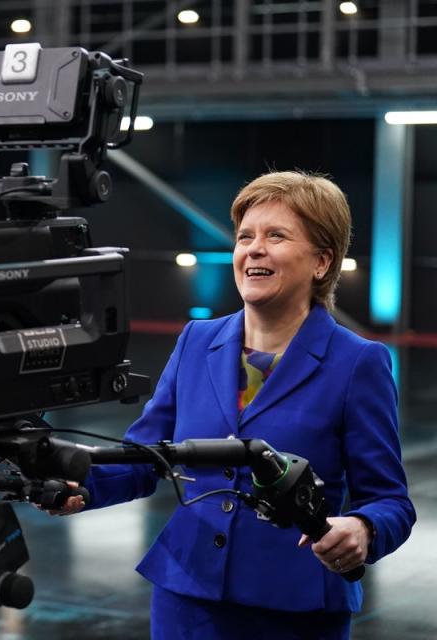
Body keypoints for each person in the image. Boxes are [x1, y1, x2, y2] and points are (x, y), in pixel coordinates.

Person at [54, 171, 416, 639]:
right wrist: (78, 482)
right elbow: (146, 457)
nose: (254, 249)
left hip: (294, 608)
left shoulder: (358, 363)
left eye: (276, 236)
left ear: (322, 262)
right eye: (245, 236)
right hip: (186, 596)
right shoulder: (195, 341)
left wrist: (364, 528)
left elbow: (390, 501)